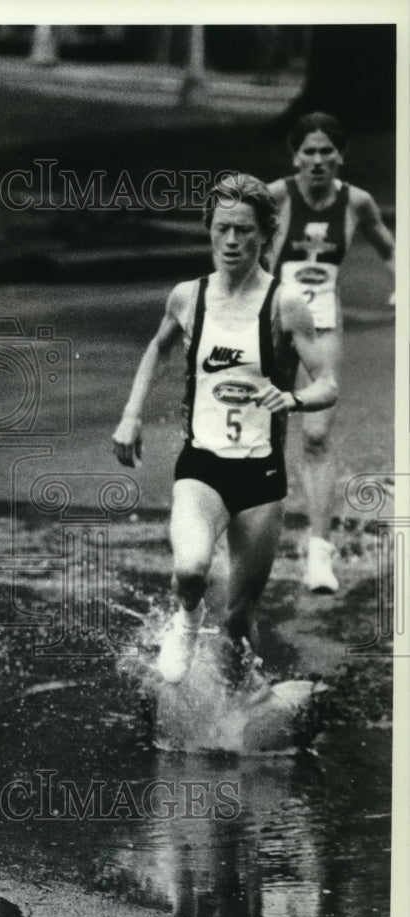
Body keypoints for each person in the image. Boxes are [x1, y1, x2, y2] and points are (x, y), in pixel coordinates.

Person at [112, 173, 338, 684]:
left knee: (239, 619)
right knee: (190, 569)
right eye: (221, 229)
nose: (231, 242)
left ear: (266, 235)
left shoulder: (285, 305)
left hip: (261, 476)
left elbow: (328, 384)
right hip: (202, 466)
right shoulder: (187, 297)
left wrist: (294, 397)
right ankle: (186, 621)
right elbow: (158, 348)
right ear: (209, 231)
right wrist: (131, 413)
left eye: (243, 230)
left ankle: (239, 708)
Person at [267, 112, 395, 593]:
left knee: (317, 432)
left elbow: (389, 247)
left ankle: (319, 551)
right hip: (275, 322)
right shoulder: (275, 196)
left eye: (327, 151)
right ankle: (253, 535)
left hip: (323, 321)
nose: (318, 160)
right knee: (268, 434)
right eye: (309, 151)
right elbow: (231, 235)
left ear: (340, 155)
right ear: (294, 154)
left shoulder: (356, 201)